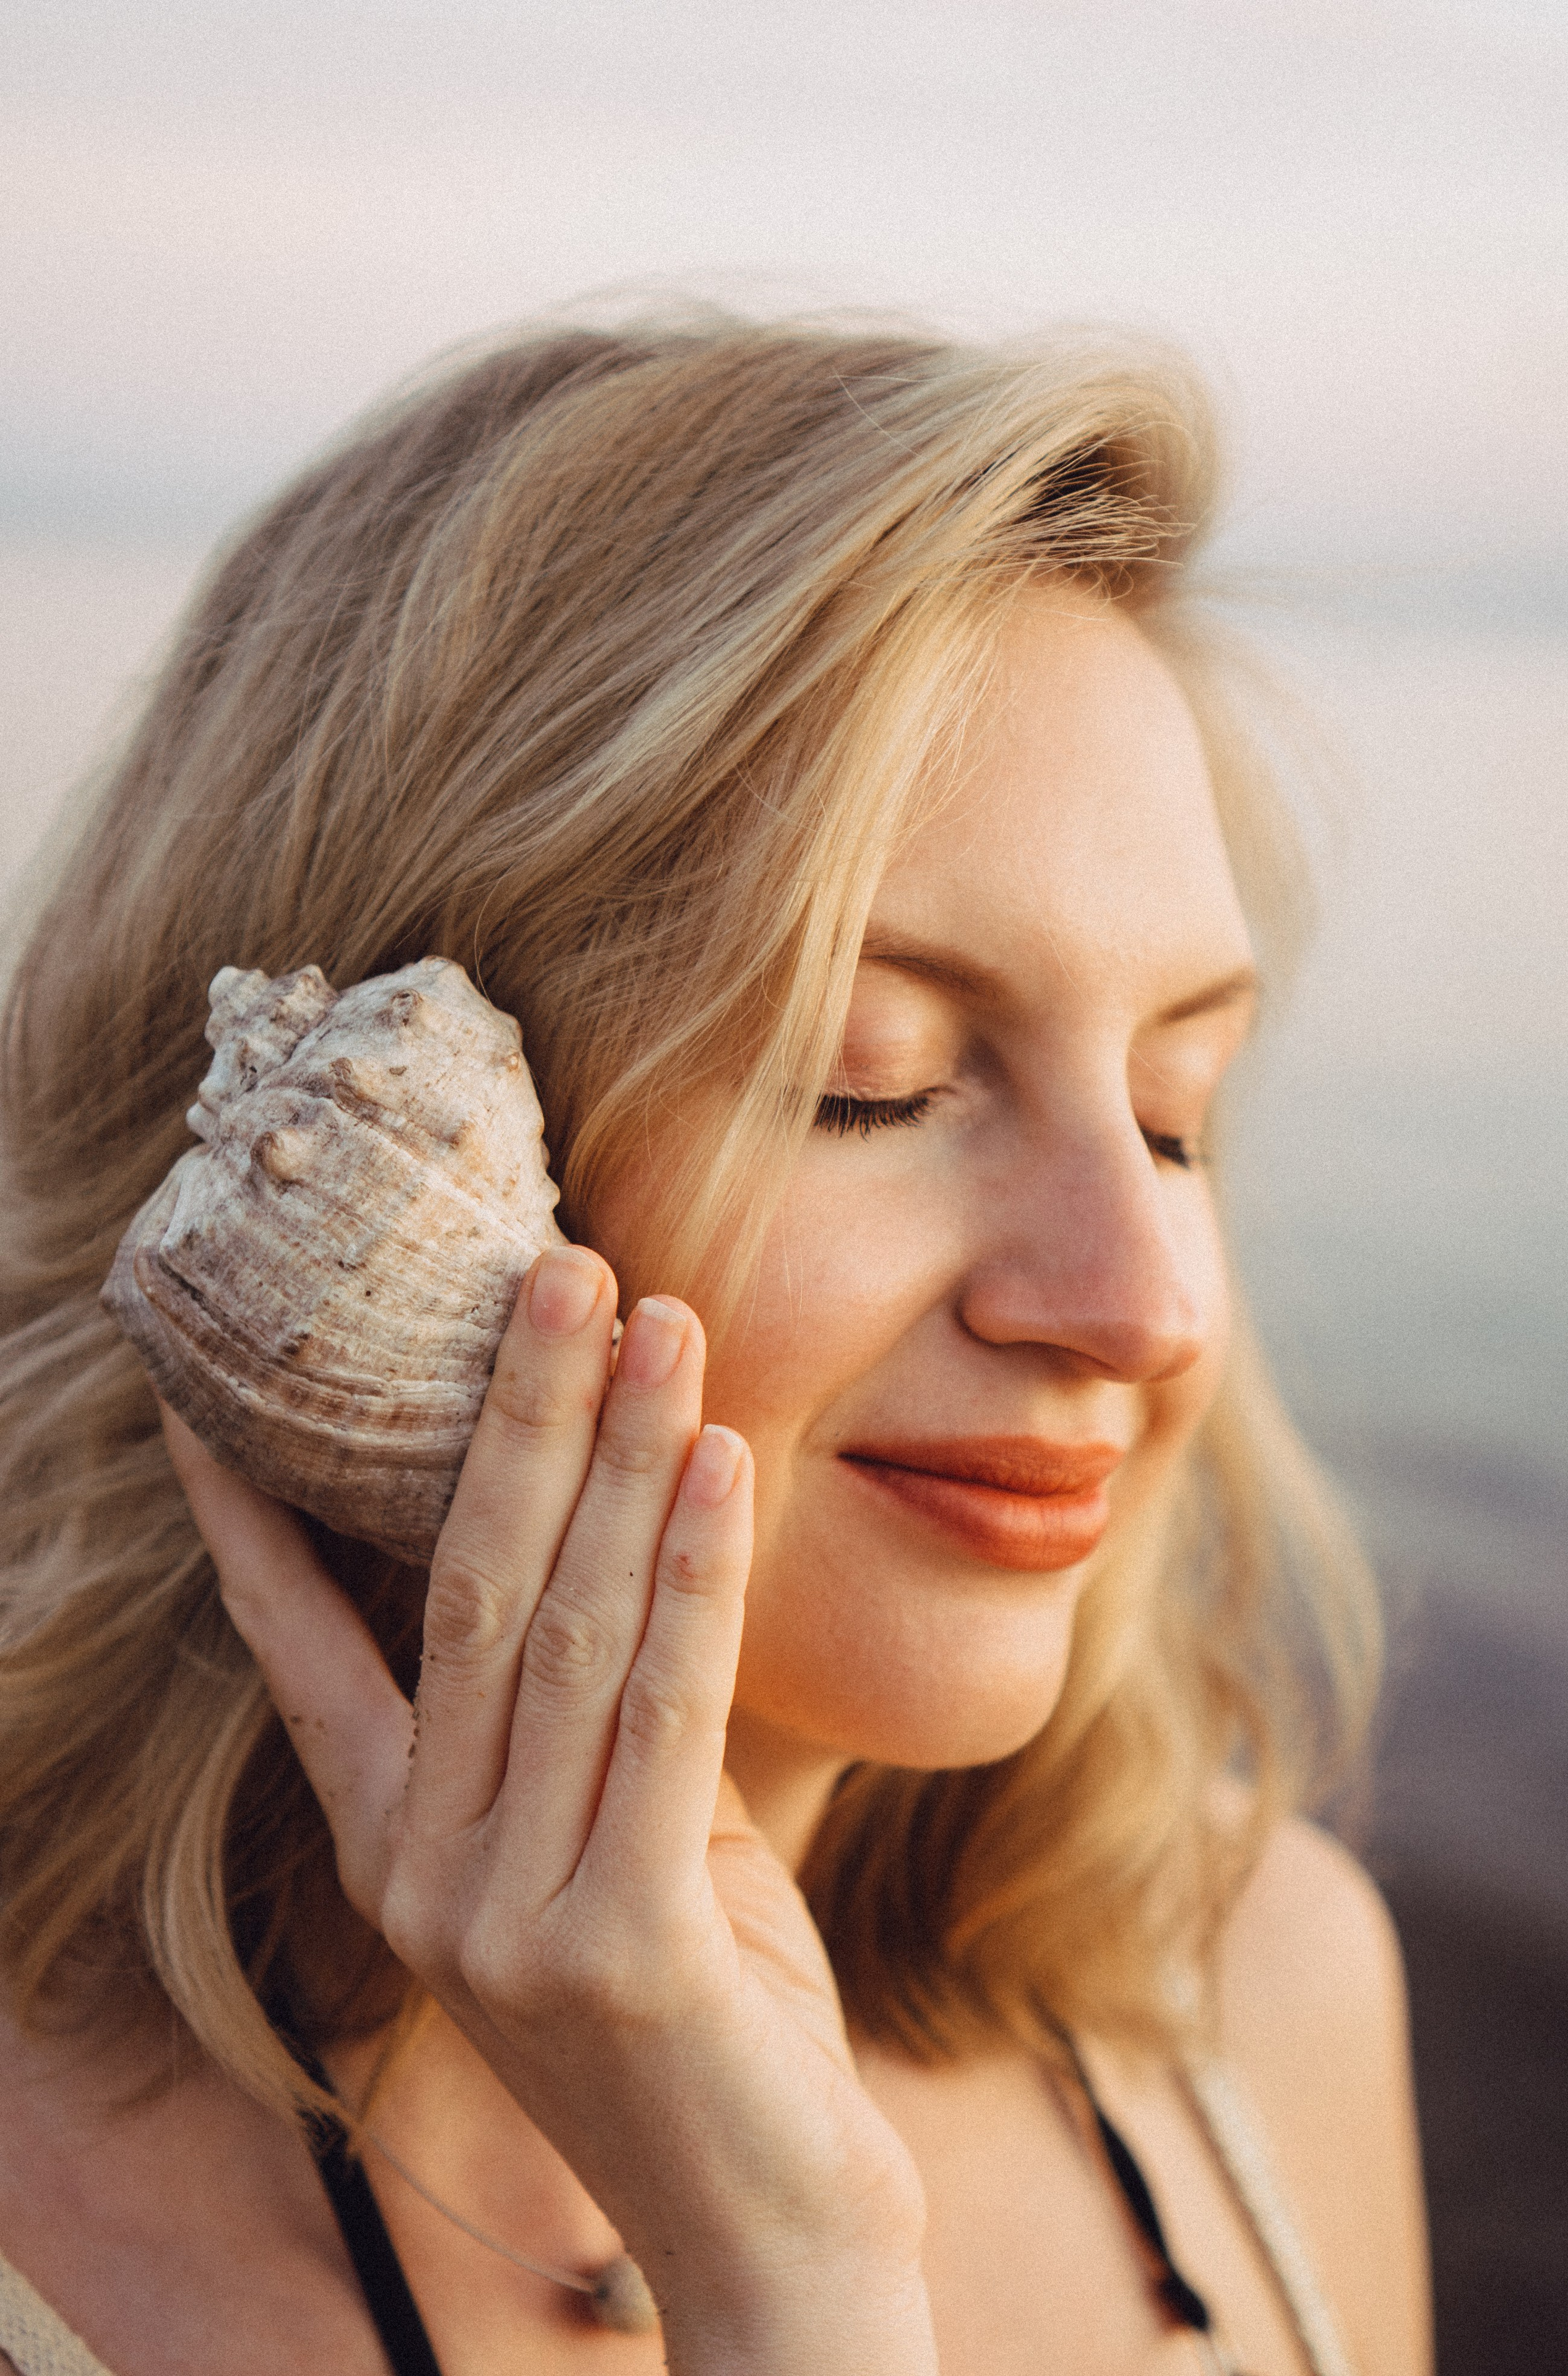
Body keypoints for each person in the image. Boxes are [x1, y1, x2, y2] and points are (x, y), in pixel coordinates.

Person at [0, 316, 1431, 2375]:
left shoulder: (1265, 1993)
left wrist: (798, 2277)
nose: (1145, 1305)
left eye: (1175, 1112)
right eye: (880, 1079)